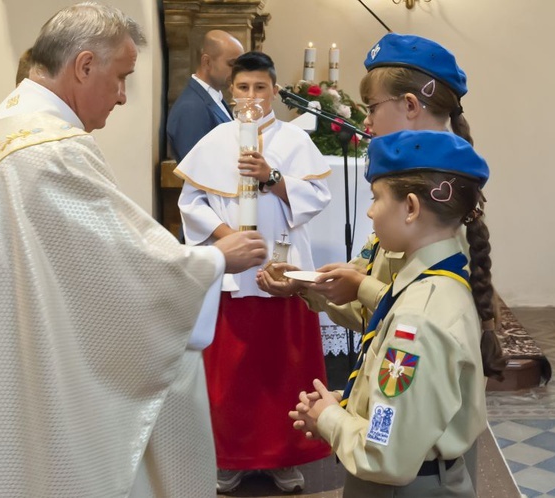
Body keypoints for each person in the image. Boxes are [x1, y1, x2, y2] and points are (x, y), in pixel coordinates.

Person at [0, 3, 267, 497]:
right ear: (83, 65)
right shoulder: (51, 151)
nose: (123, 96)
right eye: (121, 77)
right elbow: (126, 273)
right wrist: (213, 260)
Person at [290, 130, 505, 497]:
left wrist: (329, 418)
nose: (371, 211)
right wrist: (346, 405)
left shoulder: (419, 319)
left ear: (410, 207)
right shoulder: (432, 285)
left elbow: (385, 456)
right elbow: (412, 409)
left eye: (376, 198)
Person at [174, 51, 332, 493]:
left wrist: (273, 177)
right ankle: (231, 457)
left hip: (284, 271)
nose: (251, 96)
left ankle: (285, 456)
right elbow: (192, 202)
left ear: (275, 92)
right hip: (231, 276)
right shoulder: (216, 139)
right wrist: (228, 239)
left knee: (284, 368)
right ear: (231, 92)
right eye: (242, 88)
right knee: (232, 372)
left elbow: (317, 196)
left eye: (260, 87)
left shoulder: (294, 141)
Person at [258, 33, 474, 334]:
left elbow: (428, 311)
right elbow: (369, 293)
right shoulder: (410, 176)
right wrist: (306, 284)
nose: (366, 122)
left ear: (410, 105)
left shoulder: (438, 189)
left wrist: (362, 287)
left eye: (372, 108)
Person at [166, 29, 244, 162]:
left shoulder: (215, 97)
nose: (238, 72)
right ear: (207, 62)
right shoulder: (190, 108)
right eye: (232, 64)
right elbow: (198, 167)